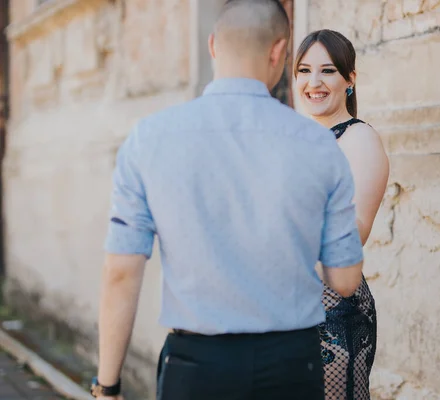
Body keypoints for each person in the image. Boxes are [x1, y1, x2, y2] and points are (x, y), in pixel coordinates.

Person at [90, 2, 366, 399]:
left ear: (213, 45)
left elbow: (120, 272)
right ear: (279, 52)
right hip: (292, 365)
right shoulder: (320, 146)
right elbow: (344, 279)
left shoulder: (149, 139)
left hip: (197, 367)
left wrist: (108, 384)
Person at [294, 29, 390, 400]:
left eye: (328, 71)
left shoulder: (358, 139)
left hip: (334, 315)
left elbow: (357, 230)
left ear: (350, 80)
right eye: (304, 70)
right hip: (288, 309)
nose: (313, 82)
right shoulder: (298, 138)